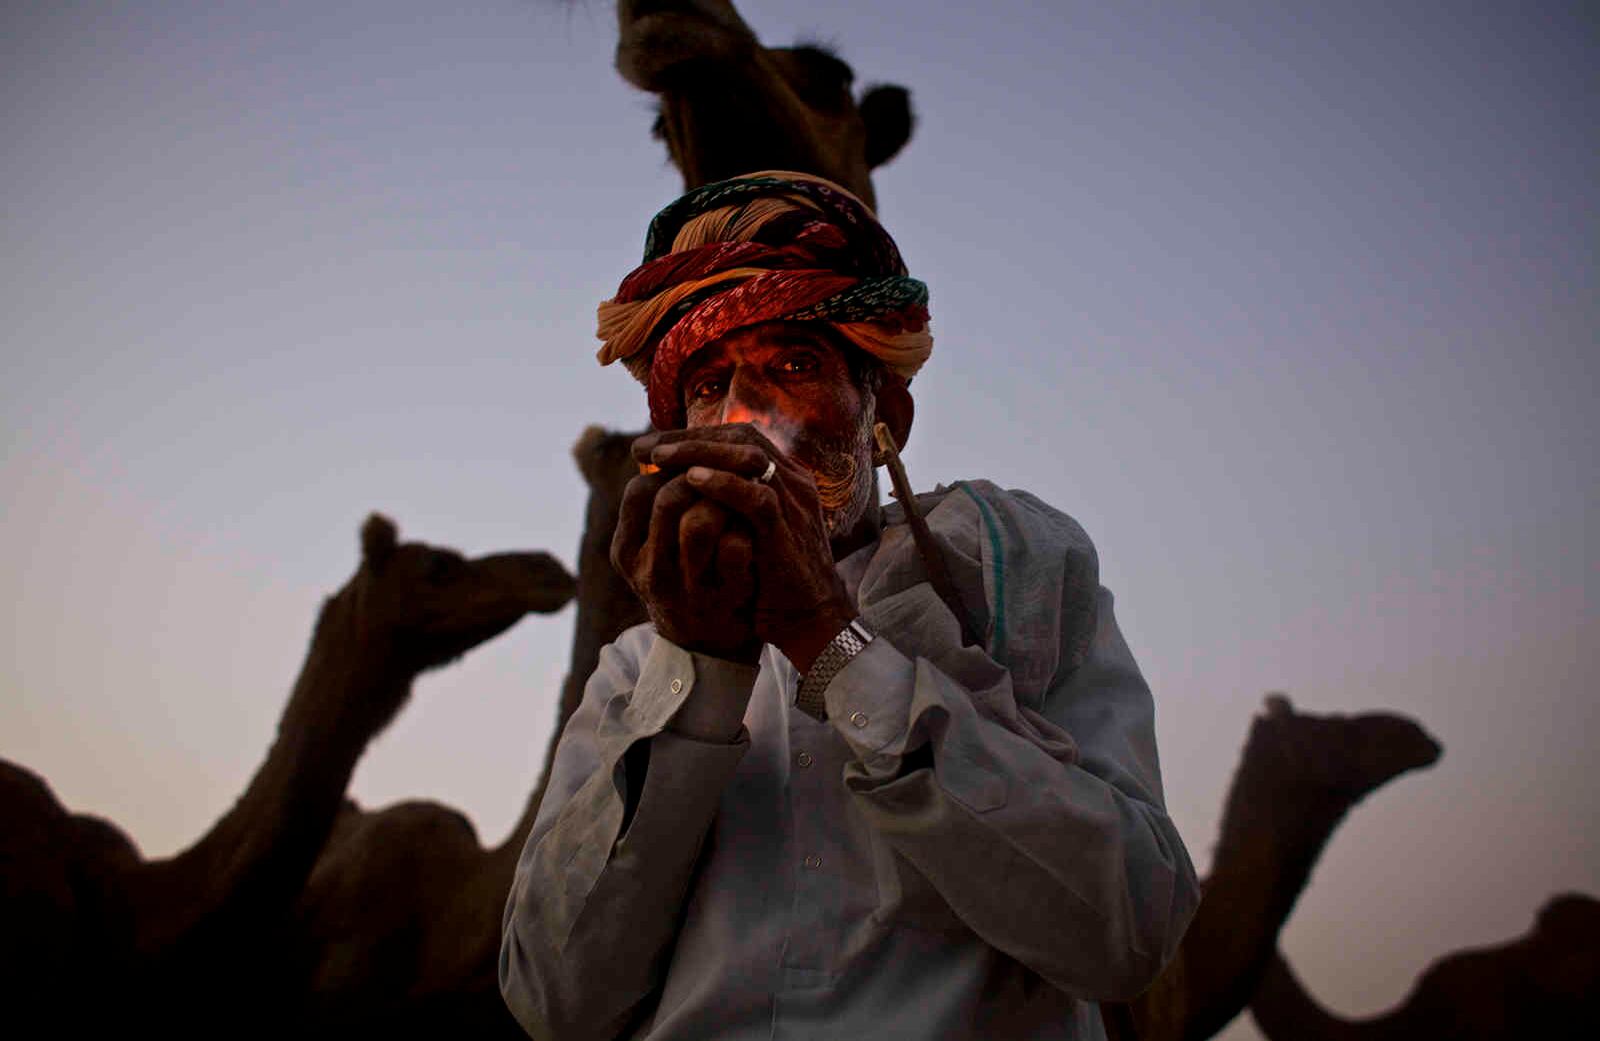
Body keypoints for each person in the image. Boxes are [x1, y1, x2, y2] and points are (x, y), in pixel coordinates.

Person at [500, 171, 1200, 1040]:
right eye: (710, 386)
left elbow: (1128, 929)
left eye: (794, 366)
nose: (745, 416)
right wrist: (703, 671)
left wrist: (827, 638)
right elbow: (553, 1001)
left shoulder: (1011, 569)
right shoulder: (639, 666)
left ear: (885, 416)